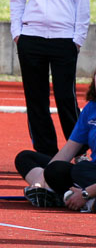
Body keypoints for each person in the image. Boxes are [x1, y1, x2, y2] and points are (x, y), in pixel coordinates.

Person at [10, 0, 89, 156]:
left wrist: (78, 38)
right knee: (36, 101)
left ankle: (77, 154)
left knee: (66, 99)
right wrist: (17, 33)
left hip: (64, 40)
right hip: (31, 39)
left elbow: (82, 3)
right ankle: (45, 155)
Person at [15, 72, 96, 212]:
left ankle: (81, 199)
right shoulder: (91, 108)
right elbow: (68, 150)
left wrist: (86, 193)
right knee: (29, 160)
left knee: (80, 170)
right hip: (90, 173)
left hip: (87, 176)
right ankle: (62, 195)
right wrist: (41, 181)